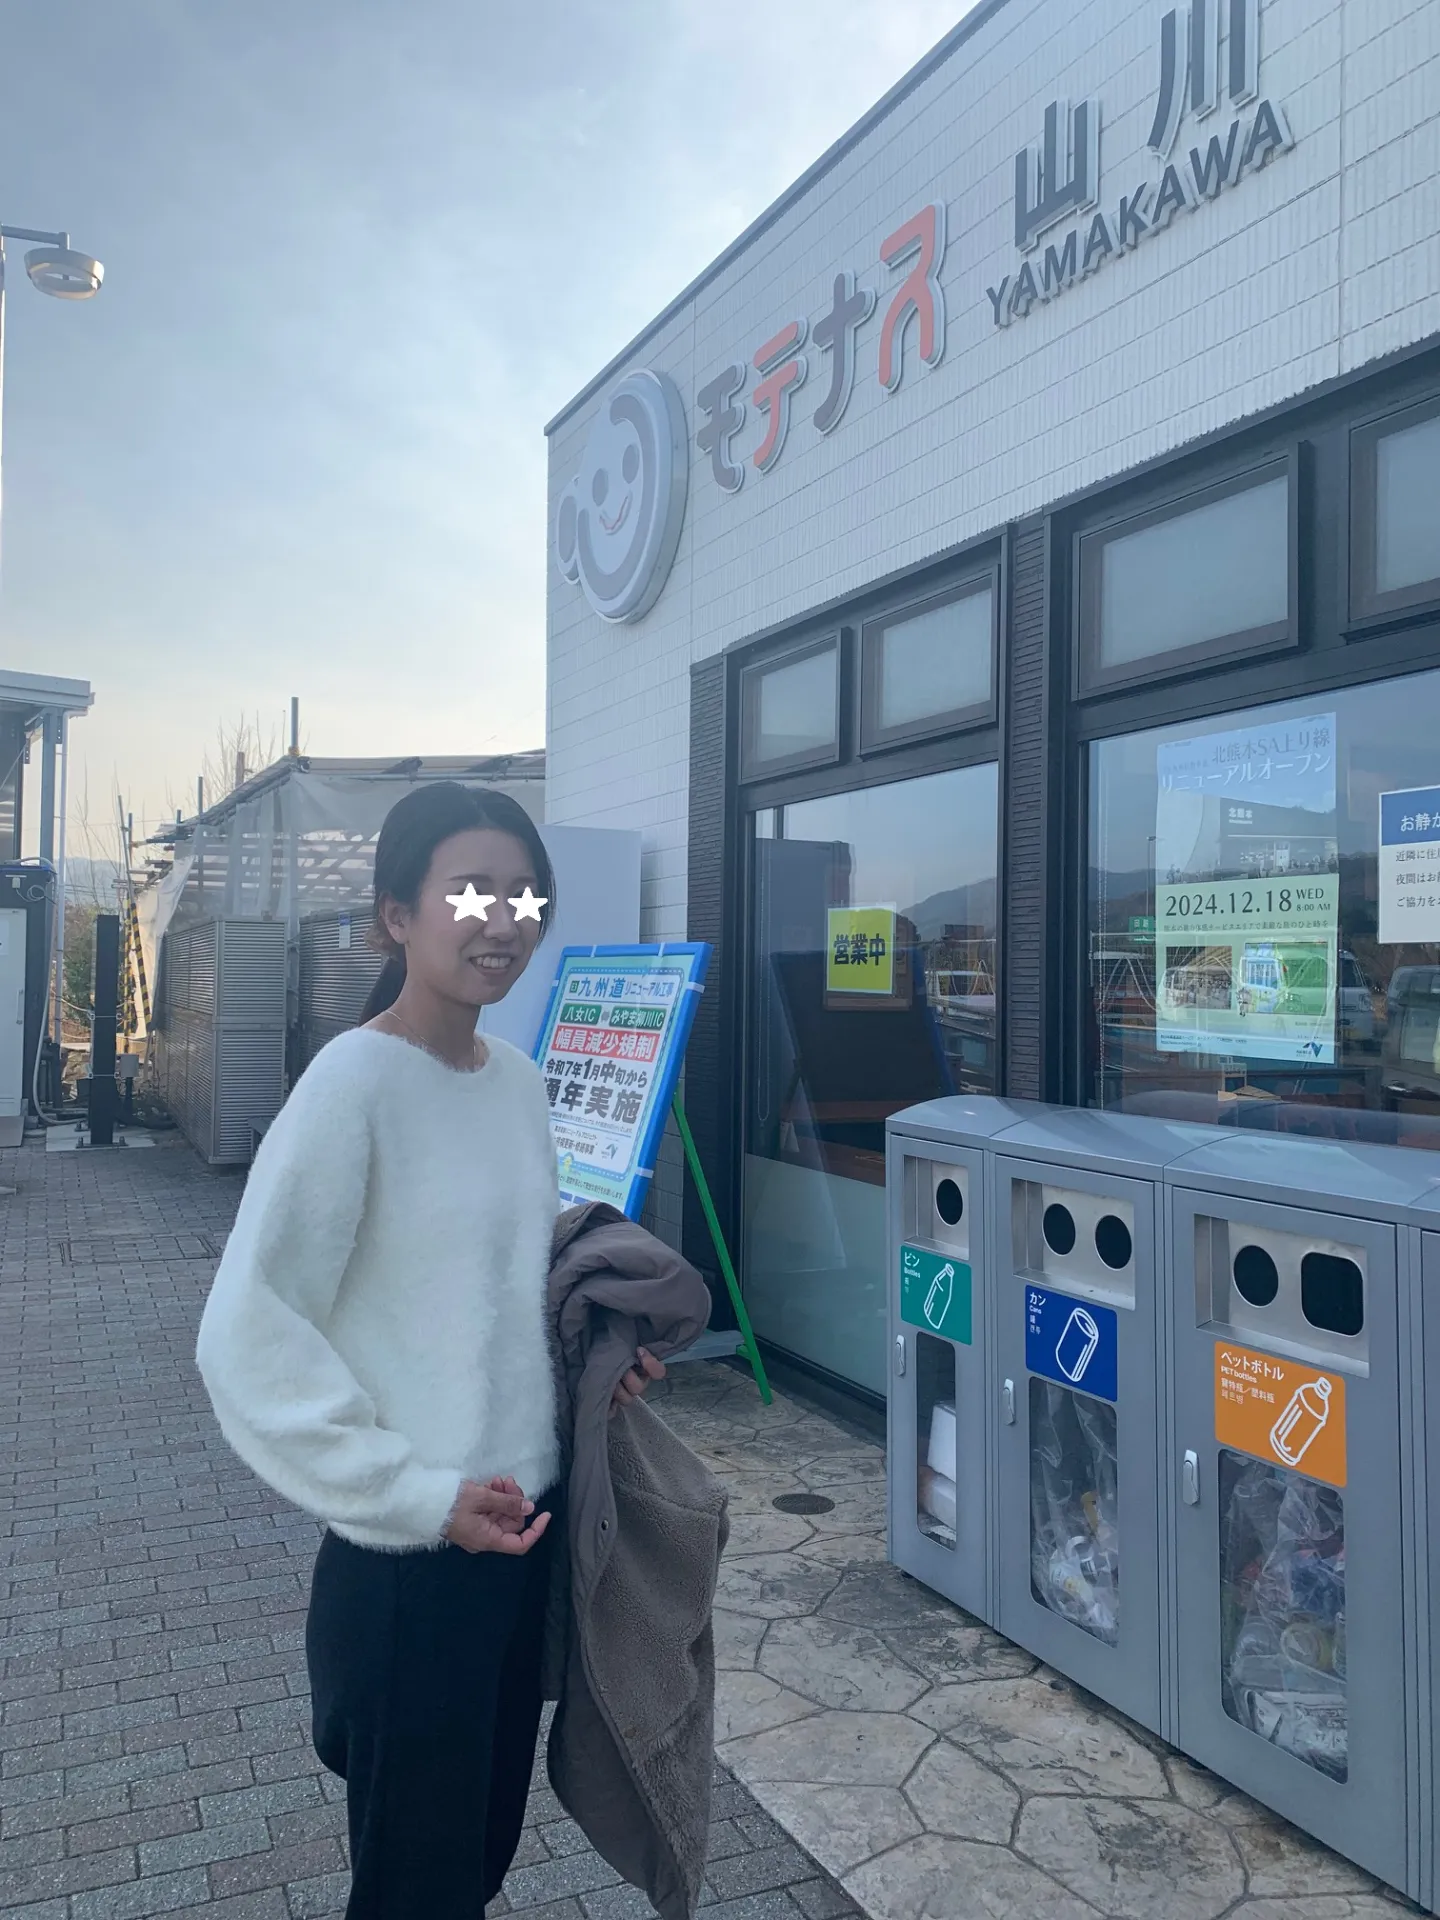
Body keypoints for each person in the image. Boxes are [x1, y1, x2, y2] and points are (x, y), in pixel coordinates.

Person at [194, 782, 665, 1920]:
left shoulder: (518, 1083)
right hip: (416, 1560)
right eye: (470, 890)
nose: (502, 918)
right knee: (419, 1887)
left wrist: (592, 1373)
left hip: (522, 1533)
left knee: (477, 1857)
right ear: (395, 915)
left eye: (523, 893)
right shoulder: (352, 1084)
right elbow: (247, 1330)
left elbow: (496, 1296)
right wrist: (411, 1494)